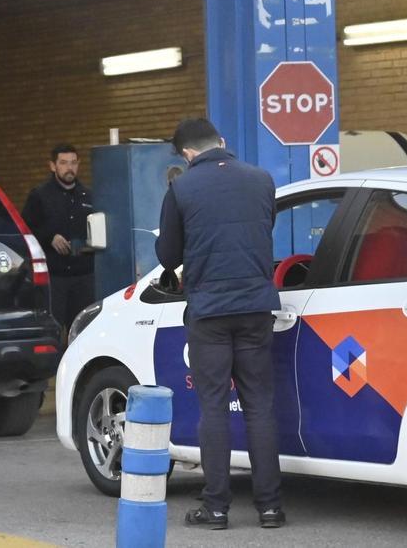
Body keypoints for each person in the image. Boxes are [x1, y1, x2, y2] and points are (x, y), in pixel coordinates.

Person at [155, 118, 285, 530]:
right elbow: (264, 231)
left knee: (213, 407)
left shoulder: (182, 188)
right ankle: (269, 507)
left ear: (187, 155)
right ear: (222, 142)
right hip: (255, 308)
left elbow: (168, 253)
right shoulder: (262, 180)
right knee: (259, 406)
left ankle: (216, 508)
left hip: (210, 312)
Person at [21, 143, 95, 339]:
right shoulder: (40, 196)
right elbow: (25, 229)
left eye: (73, 163)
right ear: (52, 166)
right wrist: (49, 237)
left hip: (83, 275)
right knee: (53, 330)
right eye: (63, 163)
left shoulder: (88, 195)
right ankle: (53, 368)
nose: (69, 168)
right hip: (55, 277)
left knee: (83, 330)